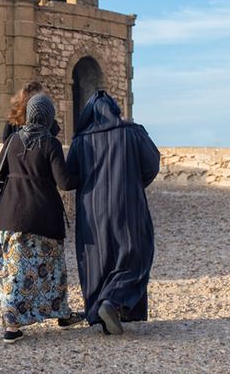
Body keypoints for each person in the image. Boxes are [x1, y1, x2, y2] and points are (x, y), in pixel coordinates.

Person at [67, 91, 160, 335]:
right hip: (128, 204)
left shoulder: (80, 140)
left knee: (99, 259)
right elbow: (152, 164)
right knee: (136, 253)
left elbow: (70, 176)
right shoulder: (133, 132)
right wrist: (134, 183)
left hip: (92, 210)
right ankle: (113, 302)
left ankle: (104, 311)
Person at [0, 93, 82, 343]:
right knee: (51, 271)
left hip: (11, 215)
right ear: (49, 117)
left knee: (14, 272)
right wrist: (87, 173)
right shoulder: (50, 143)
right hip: (43, 218)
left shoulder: (12, 140)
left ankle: (12, 326)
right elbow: (64, 182)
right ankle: (61, 314)